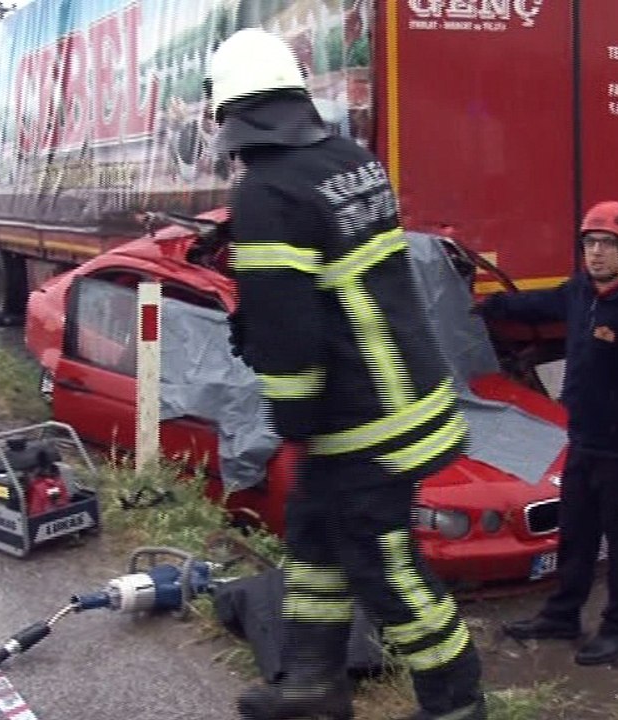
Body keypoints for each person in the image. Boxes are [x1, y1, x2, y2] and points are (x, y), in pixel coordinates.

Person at [208, 28, 484, 720]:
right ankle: (313, 683)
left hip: (362, 419)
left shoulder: (267, 195)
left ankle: (458, 706)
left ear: (231, 114)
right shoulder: (350, 160)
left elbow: (287, 333)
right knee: (312, 534)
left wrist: (293, 420)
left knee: (383, 564)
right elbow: (341, 275)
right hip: (403, 395)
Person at [476, 201, 618, 666]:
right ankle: (563, 615)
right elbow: (536, 303)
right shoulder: (580, 293)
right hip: (581, 442)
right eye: (590, 243)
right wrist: (489, 306)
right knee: (576, 534)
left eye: (608, 245)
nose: (596, 253)